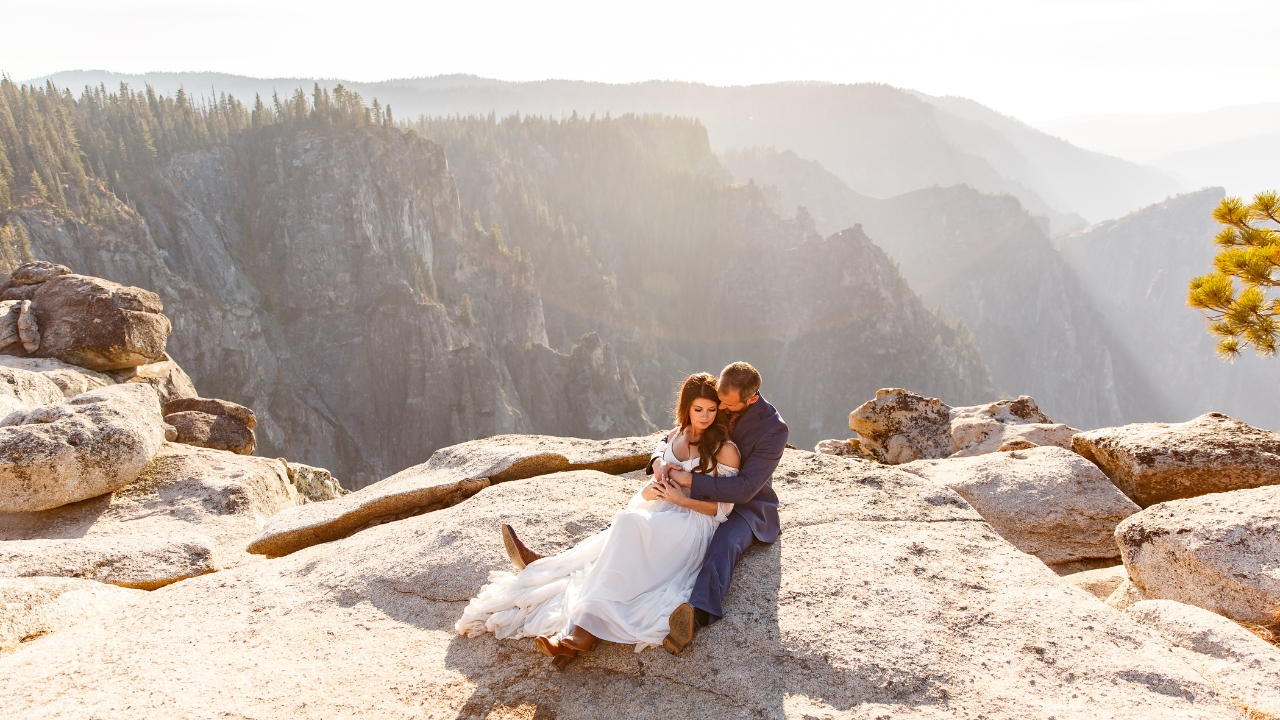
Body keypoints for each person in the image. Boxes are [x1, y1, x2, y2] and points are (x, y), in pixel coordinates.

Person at [454, 373, 742, 667]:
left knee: (626, 529)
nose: (705, 416)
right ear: (686, 408)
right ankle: (578, 627)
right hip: (661, 510)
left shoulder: (726, 450)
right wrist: (655, 487)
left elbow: (723, 509)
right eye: (698, 410)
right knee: (623, 525)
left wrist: (682, 499)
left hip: (692, 522)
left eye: (711, 409)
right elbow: (654, 479)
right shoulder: (674, 436)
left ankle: (578, 632)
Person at [649, 361, 787, 654]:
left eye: (726, 405)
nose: (719, 410)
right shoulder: (721, 398)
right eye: (717, 402)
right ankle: (564, 562)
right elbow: (675, 430)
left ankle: (696, 614)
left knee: (725, 544)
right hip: (699, 494)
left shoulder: (774, 430)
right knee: (643, 517)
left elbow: (745, 488)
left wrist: (689, 480)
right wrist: (658, 460)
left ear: (750, 398)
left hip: (746, 506)